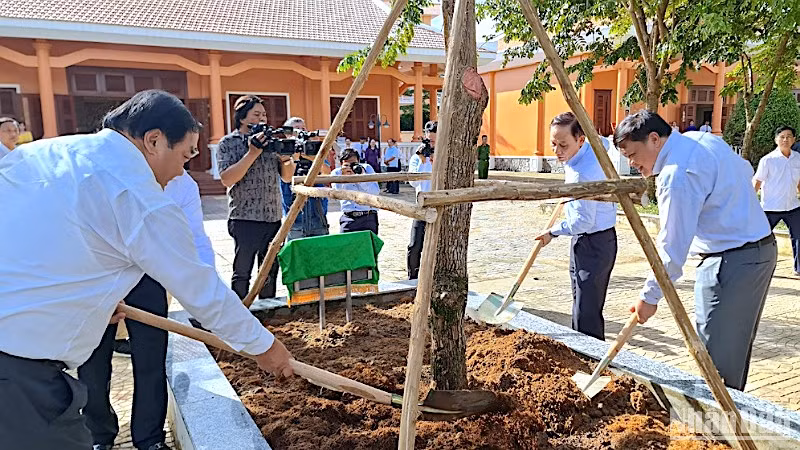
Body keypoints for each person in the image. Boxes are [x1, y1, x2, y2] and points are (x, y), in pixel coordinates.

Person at [0, 90, 294, 450]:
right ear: (154, 140)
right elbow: (202, 291)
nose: (180, 171)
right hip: (21, 375)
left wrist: (85, 303)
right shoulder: (139, 195)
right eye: (185, 155)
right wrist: (267, 348)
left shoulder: (45, 153)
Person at [616, 110, 776, 391]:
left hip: (732, 260)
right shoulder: (700, 139)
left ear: (654, 139)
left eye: (633, 154)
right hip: (756, 251)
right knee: (732, 346)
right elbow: (744, 170)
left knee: (718, 354)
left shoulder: (676, 175)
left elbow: (672, 247)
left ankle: (719, 423)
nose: (632, 163)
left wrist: (649, 297)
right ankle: (724, 414)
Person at [79, 170, 216, 450]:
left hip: (147, 274)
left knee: (151, 360)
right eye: (183, 152)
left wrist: (207, 293)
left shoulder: (182, 183)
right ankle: (99, 434)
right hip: (98, 276)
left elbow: (194, 238)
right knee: (91, 363)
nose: (183, 163)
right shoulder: (99, 174)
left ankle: (149, 437)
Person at [534, 113, 617, 341]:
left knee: (586, 311)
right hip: (592, 240)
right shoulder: (593, 147)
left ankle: (589, 360)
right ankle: (582, 353)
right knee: (581, 301)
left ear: (581, 140)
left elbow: (583, 222)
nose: (557, 151)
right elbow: (606, 141)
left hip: (594, 243)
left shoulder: (583, 174)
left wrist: (553, 231)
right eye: (553, 144)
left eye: (563, 145)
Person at [217, 95, 293, 299]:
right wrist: (252, 153)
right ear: (242, 118)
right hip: (244, 217)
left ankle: (268, 312)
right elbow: (227, 178)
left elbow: (287, 178)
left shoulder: (272, 143)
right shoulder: (228, 143)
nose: (262, 119)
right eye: (256, 114)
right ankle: (240, 313)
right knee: (242, 272)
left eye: (264, 115)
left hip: (273, 216)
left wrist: (285, 156)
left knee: (269, 271)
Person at [753, 126, 800, 277]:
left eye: (789, 136)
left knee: (798, 237)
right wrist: (751, 202)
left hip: (792, 206)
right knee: (760, 237)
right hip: (771, 207)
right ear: (776, 140)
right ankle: (753, 267)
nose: (785, 139)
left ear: (794, 139)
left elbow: (798, 182)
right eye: (782, 137)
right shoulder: (767, 160)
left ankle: (798, 268)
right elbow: (757, 182)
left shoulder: (798, 158)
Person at [279, 117, 332, 241]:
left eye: (303, 129)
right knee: (297, 256)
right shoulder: (284, 152)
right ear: (288, 134)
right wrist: (295, 158)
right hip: (294, 218)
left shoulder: (314, 151)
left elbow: (326, 174)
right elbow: (287, 178)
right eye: (296, 130)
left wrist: (310, 157)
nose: (300, 133)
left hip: (318, 214)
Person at [407, 121, 436, 279]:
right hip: (421, 205)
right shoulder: (416, 158)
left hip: (440, 204)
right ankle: (413, 278)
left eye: (433, 141)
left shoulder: (444, 155)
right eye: (428, 140)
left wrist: (434, 160)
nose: (430, 144)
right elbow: (413, 182)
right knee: (415, 244)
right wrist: (423, 161)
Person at [330, 148, 380, 234]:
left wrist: (360, 179)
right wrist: (344, 179)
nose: (351, 167)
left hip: (368, 216)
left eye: (354, 163)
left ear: (359, 161)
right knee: (347, 246)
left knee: (369, 246)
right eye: (347, 164)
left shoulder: (366, 169)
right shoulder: (337, 173)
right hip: (348, 218)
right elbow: (337, 195)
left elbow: (375, 192)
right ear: (342, 163)